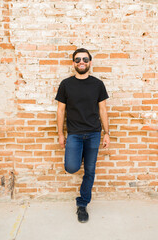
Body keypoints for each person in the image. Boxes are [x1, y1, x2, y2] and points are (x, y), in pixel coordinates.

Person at [55, 48, 110, 223]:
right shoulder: (66, 84)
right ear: (73, 63)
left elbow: (103, 109)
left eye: (85, 59)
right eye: (78, 59)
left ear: (90, 63)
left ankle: (82, 204)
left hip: (94, 134)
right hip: (75, 135)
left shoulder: (98, 84)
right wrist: (60, 134)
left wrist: (107, 133)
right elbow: (60, 110)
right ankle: (78, 156)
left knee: (90, 171)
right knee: (71, 167)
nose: (81, 62)